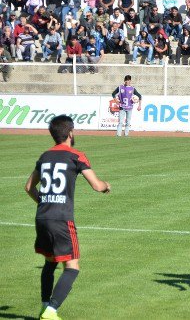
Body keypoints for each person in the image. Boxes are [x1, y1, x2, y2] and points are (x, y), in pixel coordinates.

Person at [24, 115, 110, 320]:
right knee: (72, 267)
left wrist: (45, 202)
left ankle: (44, 307)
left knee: (50, 263)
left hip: (42, 217)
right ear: (70, 133)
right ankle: (51, 310)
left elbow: (28, 187)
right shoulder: (76, 156)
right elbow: (97, 186)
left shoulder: (44, 156)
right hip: (62, 220)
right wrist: (107, 185)